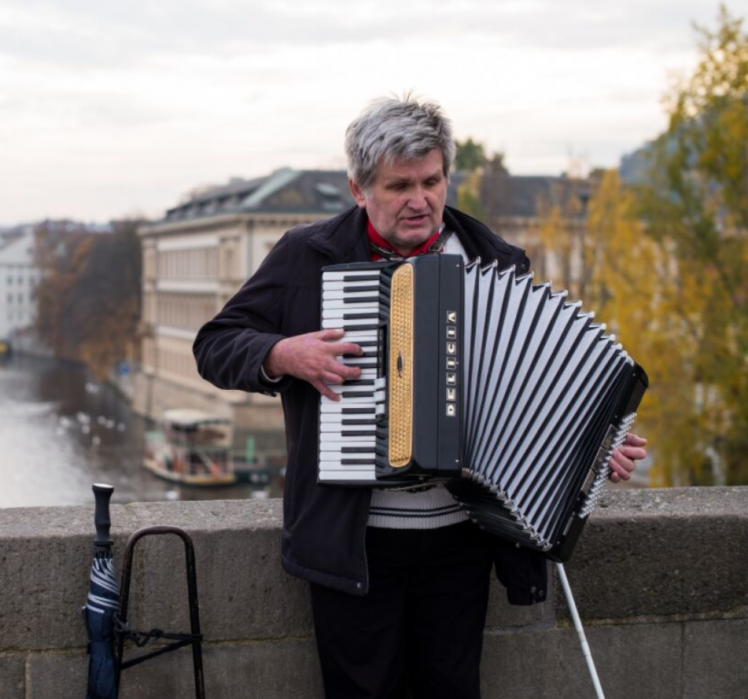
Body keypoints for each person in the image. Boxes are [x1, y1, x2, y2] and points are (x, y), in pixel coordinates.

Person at [193, 95, 647, 699]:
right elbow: (216, 345)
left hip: (461, 540)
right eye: (399, 185)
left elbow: (525, 389)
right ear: (359, 189)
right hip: (355, 544)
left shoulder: (495, 260)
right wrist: (283, 355)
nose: (420, 199)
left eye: (432, 181)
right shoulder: (310, 256)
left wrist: (592, 450)